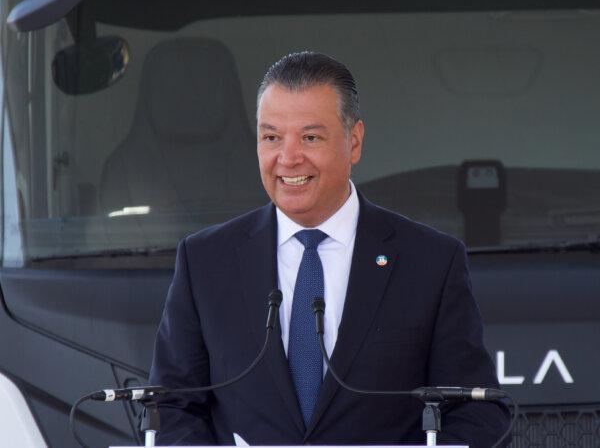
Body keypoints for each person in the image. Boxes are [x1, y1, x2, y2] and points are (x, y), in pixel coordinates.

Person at [149, 51, 510, 447]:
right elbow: (171, 408)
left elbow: (478, 412)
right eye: (271, 137)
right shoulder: (205, 260)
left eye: (310, 137)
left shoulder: (431, 261)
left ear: (353, 143)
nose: (287, 158)